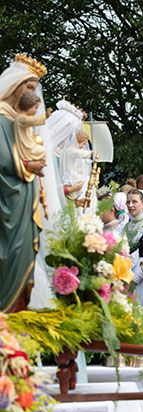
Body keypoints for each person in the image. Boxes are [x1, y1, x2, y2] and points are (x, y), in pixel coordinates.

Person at [0, 54, 47, 312]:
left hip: (22, 201)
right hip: (7, 201)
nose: (31, 93)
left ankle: (15, 318)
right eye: (28, 87)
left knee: (24, 253)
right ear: (14, 84)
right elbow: (4, 159)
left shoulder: (15, 117)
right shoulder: (2, 116)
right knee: (11, 254)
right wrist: (28, 166)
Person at [13, 91, 49, 165]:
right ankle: (39, 164)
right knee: (41, 150)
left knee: (41, 150)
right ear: (28, 106)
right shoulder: (21, 118)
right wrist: (45, 117)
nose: (36, 111)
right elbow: (33, 121)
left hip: (29, 144)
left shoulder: (24, 117)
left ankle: (40, 164)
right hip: (25, 148)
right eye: (35, 108)